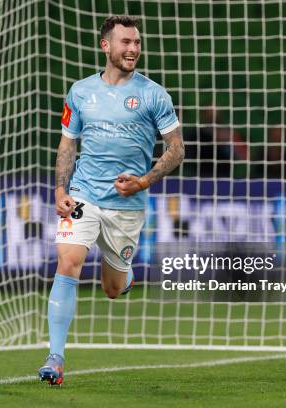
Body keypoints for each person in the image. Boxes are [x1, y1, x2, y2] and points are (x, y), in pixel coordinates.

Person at [38, 15, 184, 385]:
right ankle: (55, 357)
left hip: (126, 206)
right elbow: (68, 144)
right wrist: (60, 189)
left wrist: (144, 181)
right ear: (106, 46)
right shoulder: (81, 91)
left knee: (112, 290)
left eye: (136, 42)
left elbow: (176, 149)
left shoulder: (153, 94)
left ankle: (124, 275)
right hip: (84, 194)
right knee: (68, 262)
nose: (133, 48)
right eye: (125, 42)